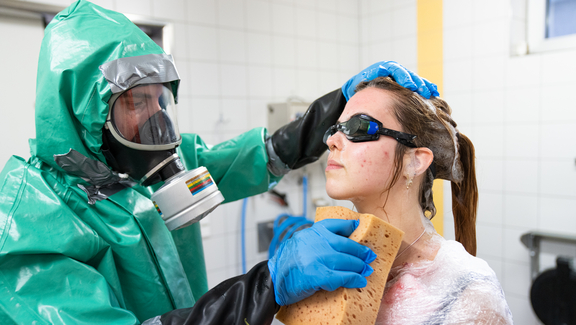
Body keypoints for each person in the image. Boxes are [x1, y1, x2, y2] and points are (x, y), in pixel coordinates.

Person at [0, 1, 438, 325]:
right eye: (136, 101)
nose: (156, 121)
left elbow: (259, 156)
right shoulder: (28, 227)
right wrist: (267, 285)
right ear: (83, 111)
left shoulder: (133, 168)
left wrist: (340, 104)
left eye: (160, 100)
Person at [323, 77, 514, 324]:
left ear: (415, 161)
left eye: (359, 127)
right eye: (335, 129)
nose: (332, 141)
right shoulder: (332, 263)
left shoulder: (467, 294)